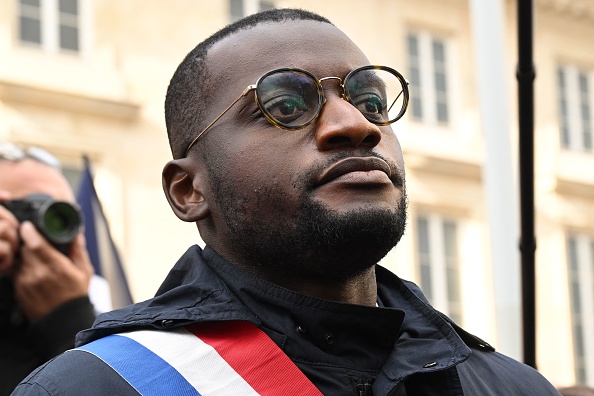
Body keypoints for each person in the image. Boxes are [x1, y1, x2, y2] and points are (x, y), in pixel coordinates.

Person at [13, 8, 562, 395]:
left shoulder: (514, 387)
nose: (355, 125)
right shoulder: (98, 386)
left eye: (370, 99)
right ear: (188, 189)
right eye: (285, 104)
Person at [0, 142, 96, 396]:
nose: (47, 231)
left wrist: (72, 318)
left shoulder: (103, 329)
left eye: (61, 213)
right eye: (28, 210)